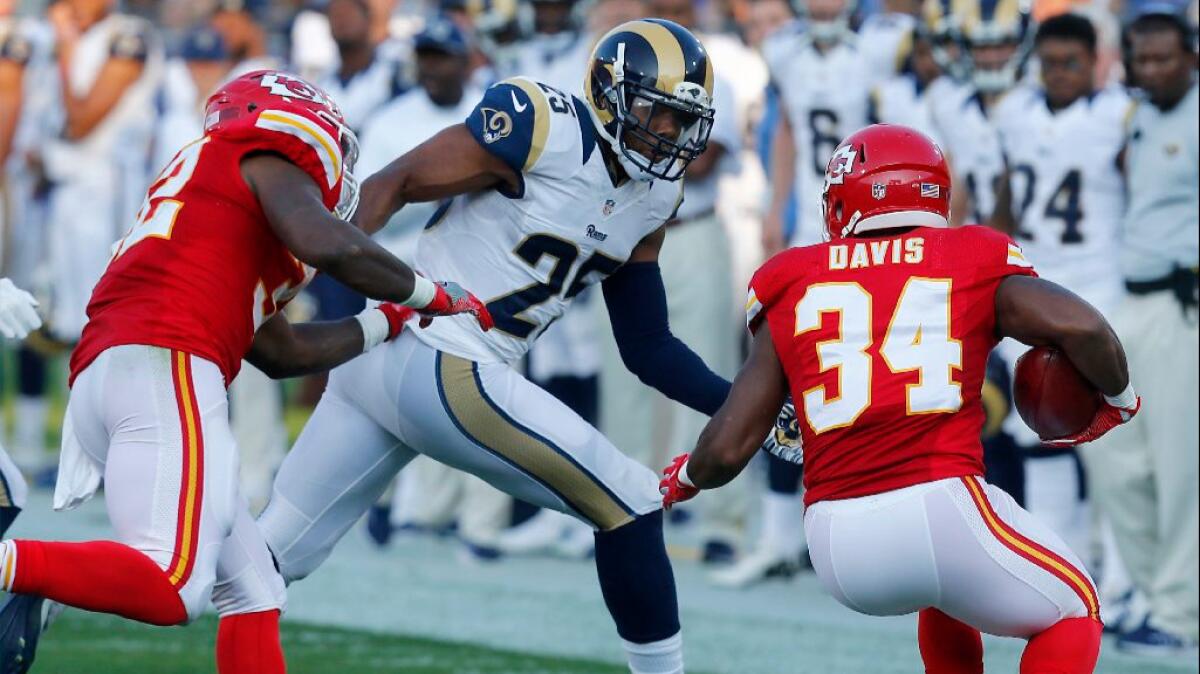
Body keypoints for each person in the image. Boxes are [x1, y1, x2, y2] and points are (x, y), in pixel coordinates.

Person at [221, 20, 785, 674]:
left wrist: (749, 405)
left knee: (262, 564)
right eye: (654, 112)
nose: (666, 134)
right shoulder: (542, 124)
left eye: (680, 121)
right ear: (609, 95)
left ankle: (90, 576)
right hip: (442, 360)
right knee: (630, 498)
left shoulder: (655, 197)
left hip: (391, 364)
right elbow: (394, 181)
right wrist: (301, 269)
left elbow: (648, 347)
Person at [0, 70, 490, 674]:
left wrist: (385, 322)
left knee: (255, 589)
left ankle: (34, 573)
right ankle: (20, 568)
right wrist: (428, 295)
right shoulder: (260, 154)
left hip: (125, 369)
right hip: (165, 362)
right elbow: (330, 244)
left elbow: (281, 353)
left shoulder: (219, 203)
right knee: (174, 585)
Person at [661, 124, 1140, 674]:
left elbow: (729, 445)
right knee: (1076, 610)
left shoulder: (790, 277)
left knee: (949, 592)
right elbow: (1083, 328)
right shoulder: (973, 254)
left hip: (837, 545)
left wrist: (687, 478)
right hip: (941, 504)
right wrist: (1120, 397)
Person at [991, 12, 1130, 564]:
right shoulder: (1015, 112)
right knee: (1038, 427)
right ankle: (1060, 559)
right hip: (1037, 290)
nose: (1059, 74)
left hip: (1101, 287)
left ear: (1095, 62)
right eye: (1049, 64)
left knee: (1110, 441)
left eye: (1071, 63)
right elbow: (1005, 193)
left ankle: (1120, 574)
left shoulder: (1118, 114)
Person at [1088, 9, 1197, 655]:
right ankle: (1164, 596)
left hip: (1185, 302)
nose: (1154, 69)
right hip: (1132, 301)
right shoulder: (1139, 113)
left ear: (1192, 57)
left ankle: (1180, 616)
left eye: (1166, 58)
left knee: (1183, 467)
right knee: (1112, 454)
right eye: (1143, 59)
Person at [40, 0, 162, 345]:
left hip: (110, 182)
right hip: (68, 181)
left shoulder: (128, 35)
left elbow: (81, 122)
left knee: (103, 303)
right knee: (69, 312)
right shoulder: (81, 36)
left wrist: (65, 48)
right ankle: (77, 396)